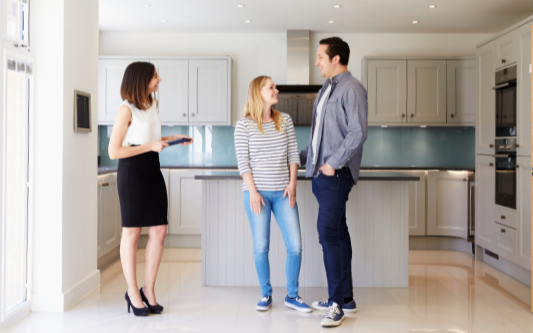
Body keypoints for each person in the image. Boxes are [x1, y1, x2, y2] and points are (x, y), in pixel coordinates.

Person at [108, 62, 193, 316]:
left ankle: (149, 290)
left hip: (152, 168)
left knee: (159, 230)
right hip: (132, 171)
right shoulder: (126, 109)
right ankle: (132, 292)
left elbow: (150, 138)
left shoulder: (152, 104)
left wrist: (173, 138)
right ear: (141, 80)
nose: (159, 80)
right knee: (132, 233)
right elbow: (115, 151)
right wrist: (151, 146)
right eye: (155, 76)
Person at [300, 37, 368, 327]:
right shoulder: (326, 90)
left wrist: (332, 163)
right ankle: (346, 299)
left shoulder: (352, 89)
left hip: (336, 175)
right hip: (321, 174)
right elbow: (319, 136)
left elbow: (357, 132)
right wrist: (300, 157)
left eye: (320, 57)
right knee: (338, 232)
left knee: (327, 233)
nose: (317, 62)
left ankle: (336, 304)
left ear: (335, 59)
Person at [234, 75, 312, 313]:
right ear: (259, 93)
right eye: (271, 87)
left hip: (283, 193)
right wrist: (254, 192)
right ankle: (266, 294)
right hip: (257, 195)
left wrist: (292, 184)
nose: (276, 90)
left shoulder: (285, 120)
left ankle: (292, 296)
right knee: (261, 246)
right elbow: (243, 162)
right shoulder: (244, 125)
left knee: (296, 245)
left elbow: (293, 156)